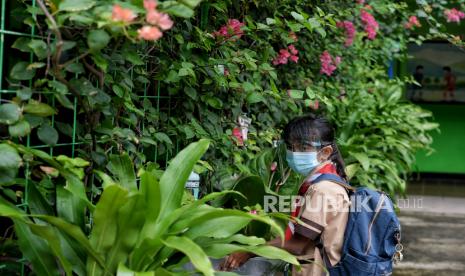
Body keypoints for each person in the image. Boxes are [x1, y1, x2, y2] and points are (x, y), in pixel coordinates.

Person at [220, 114, 350, 275]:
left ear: (325, 152)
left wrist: (248, 252)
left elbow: (297, 244)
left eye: (303, 148)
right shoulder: (321, 183)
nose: (294, 153)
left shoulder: (323, 189)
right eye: (290, 146)